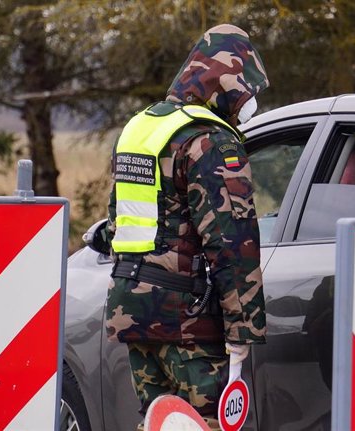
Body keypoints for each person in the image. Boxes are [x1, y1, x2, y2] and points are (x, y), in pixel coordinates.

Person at [104, 24, 268, 430]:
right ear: (225, 81)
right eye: (246, 87)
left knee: (159, 422)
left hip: (134, 313)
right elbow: (232, 241)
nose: (249, 100)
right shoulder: (209, 140)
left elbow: (117, 221)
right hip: (187, 324)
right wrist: (242, 329)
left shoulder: (140, 129)